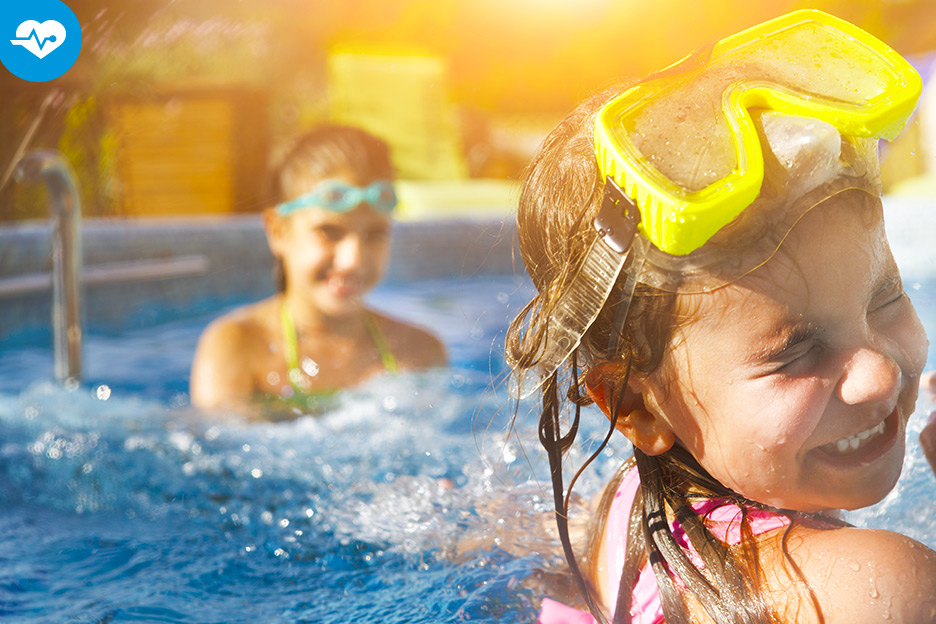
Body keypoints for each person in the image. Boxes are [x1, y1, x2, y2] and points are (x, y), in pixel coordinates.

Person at [504, 10, 936, 624]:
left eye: (884, 298)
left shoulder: (630, 507)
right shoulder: (879, 590)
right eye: (797, 351)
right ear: (636, 406)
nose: (880, 377)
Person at [190, 125, 446, 416]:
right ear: (277, 231)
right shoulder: (237, 348)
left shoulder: (420, 353)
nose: (353, 260)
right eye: (330, 232)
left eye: (374, 234)